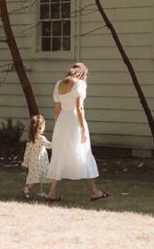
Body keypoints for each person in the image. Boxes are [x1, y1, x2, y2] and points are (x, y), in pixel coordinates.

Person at [46, 62, 109, 203]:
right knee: (83, 153)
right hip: (75, 121)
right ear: (82, 73)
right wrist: (82, 129)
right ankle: (93, 192)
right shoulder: (80, 84)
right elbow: (79, 108)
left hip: (62, 121)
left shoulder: (58, 84)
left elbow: (57, 109)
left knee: (60, 154)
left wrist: (59, 126)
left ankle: (52, 192)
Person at [22, 114, 52, 198]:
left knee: (38, 177)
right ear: (39, 128)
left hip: (33, 163)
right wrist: (56, 144)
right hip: (40, 162)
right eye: (43, 127)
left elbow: (27, 153)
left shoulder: (30, 139)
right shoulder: (41, 138)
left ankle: (40, 192)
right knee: (37, 179)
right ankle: (26, 189)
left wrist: (25, 163)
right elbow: (49, 145)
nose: (44, 129)